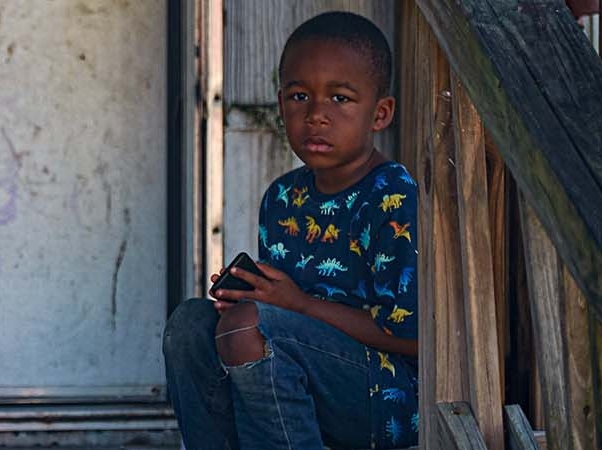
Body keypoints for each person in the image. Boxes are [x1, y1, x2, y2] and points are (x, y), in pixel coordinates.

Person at [163, 11, 420, 449]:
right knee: (190, 325)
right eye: (300, 96)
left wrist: (295, 305)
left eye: (340, 99)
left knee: (252, 329)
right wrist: (250, 296)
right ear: (280, 103)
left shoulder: (391, 193)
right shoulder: (283, 198)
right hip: (299, 372)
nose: (317, 115)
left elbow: (410, 337)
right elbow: (279, 314)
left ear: (380, 114)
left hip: (383, 396)